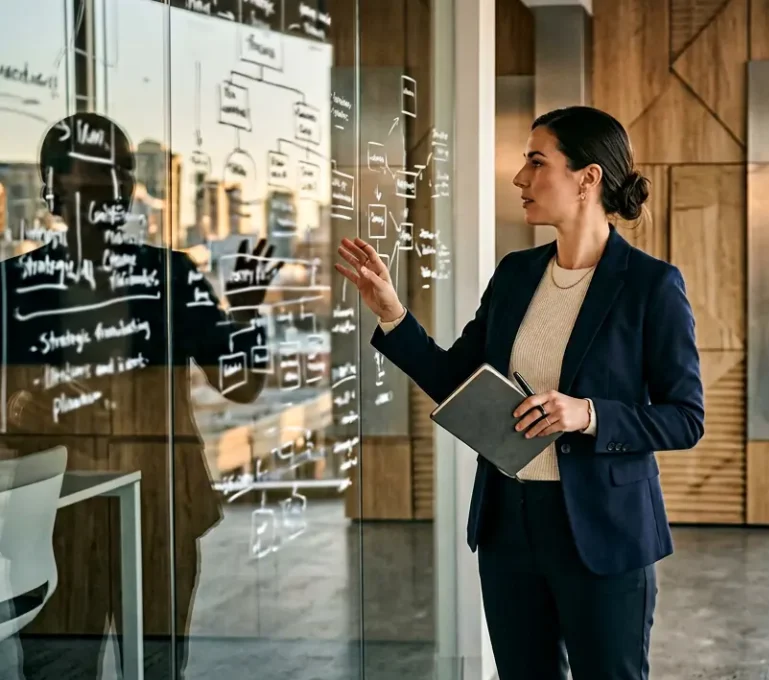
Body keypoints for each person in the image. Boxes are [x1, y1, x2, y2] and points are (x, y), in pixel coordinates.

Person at [335, 105, 704, 679]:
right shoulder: (515, 273)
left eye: (536, 162)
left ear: (588, 178)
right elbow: (456, 379)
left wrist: (586, 414)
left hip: (603, 532)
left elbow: (685, 418)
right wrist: (392, 313)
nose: (519, 179)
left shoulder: (652, 286)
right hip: (509, 525)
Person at [0, 112, 280, 679]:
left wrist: (245, 318)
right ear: (53, 190)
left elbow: (239, 384)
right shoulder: (16, 287)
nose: (118, 187)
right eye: (102, 174)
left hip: (153, 510)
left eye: (123, 173)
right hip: (61, 515)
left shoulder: (171, 276)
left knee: (126, 667)